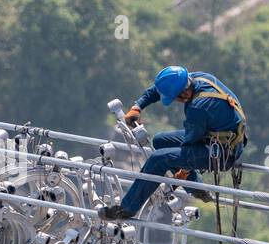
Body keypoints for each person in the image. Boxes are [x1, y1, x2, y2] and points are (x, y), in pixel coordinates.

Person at [98, 66, 247, 221]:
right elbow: (159, 89)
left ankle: (126, 209)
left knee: (158, 159)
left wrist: (183, 172)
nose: (175, 101)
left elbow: (189, 144)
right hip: (213, 136)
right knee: (160, 141)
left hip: (222, 153)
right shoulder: (197, 78)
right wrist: (138, 106)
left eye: (175, 97)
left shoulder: (198, 107)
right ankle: (196, 188)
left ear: (185, 93)